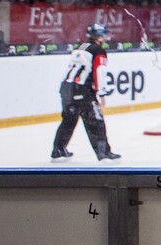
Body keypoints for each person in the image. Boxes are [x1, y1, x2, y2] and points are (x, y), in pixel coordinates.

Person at [51, 23, 120, 160]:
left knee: (69, 120)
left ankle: (58, 150)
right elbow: (99, 71)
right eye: (103, 35)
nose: (105, 38)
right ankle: (103, 153)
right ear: (99, 37)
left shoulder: (80, 48)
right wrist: (101, 94)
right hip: (82, 90)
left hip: (66, 88)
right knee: (96, 121)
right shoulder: (98, 50)